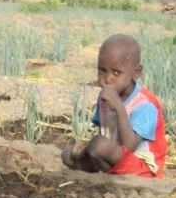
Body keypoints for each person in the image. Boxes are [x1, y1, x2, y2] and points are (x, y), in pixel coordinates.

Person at [62, 34, 167, 178]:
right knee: (67, 154)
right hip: (114, 157)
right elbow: (107, 135)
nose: (108, 78)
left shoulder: (145, 104)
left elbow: (129, 146)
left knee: (99, 145)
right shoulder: (105, 97)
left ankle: (103, 171)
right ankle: (103, 171)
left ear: (136, 72)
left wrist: (119, 107)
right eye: (102, 70)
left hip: (141, 168)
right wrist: (86, 148)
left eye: (116, 72)